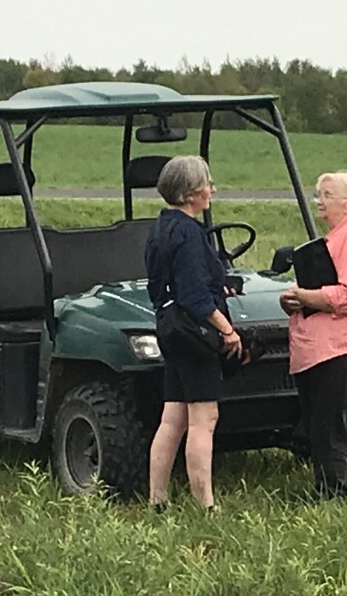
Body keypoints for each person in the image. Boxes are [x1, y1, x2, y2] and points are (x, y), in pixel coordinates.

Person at [144, 155, 242, 510]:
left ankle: (158, 498)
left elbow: (166, 285)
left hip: (169, 328)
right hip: (194, 333)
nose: (212, 190)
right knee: (204, 419)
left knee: (173, 417)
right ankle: (207, 504)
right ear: (190, 194)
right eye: (207, 184)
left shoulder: (160, 228)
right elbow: (194, 295)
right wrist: (227, 330)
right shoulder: (189, 233)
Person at [280, 171, 347, 500]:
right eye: (318, 195)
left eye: (326, 195)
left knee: (331, 422)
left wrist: (306, 297)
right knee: (322, 420)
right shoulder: (341, 235)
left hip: (338, 345)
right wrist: (297, 301)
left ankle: (335, 492)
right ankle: (332, 485)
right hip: (324, 345)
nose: (319, 202)